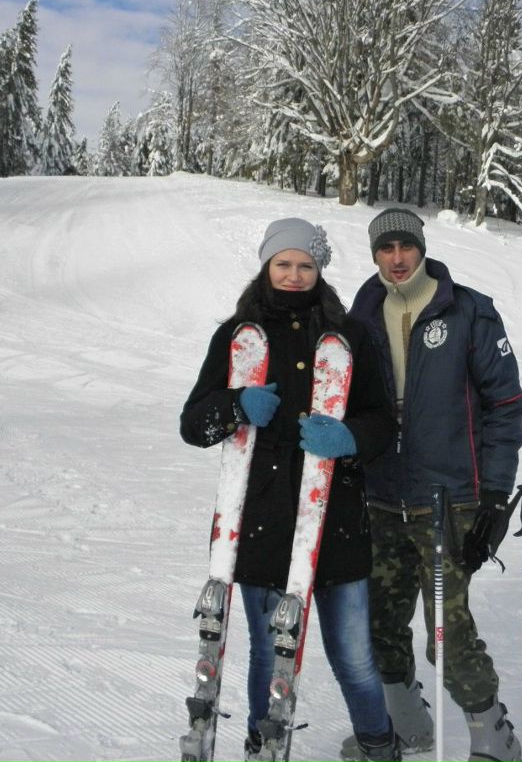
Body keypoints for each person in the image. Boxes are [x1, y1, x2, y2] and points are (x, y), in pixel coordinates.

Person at [180, 218, 400, 762]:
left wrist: (350, 436)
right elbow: (192, 424)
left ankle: (379, 747)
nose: (295, 275)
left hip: (337, 523)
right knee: (266, 655)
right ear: (266, 266)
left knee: (353, 657)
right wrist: (236, 406)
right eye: (284, 264)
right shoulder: (236, 337)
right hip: (260, 525)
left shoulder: (350, 336)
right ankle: (263, 746)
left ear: (319, 269)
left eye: (305, 265)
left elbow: (383, 422)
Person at [346, 208, 522, 762]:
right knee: (377, 623)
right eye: (385, 248)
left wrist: (495, 495)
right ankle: (407, 726)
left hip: (448, 499)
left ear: (421, 247)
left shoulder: (469, 311)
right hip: (380, 496)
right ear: (374, 253)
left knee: (445, 630)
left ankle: (492, 736)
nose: (396, 258)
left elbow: (505, 406)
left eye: (406, 246)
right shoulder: (362, 313)